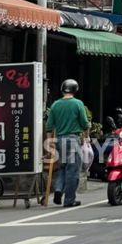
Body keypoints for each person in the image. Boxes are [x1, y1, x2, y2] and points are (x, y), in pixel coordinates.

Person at [45, 79, 89, 207]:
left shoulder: (55, 105)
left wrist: (50, 141)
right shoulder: (78, 104)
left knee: (63, 168)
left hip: (59, 140)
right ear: (75, 90)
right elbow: (85, 124)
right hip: (73, 140)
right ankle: (69, 200)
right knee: (73, 171)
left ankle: (59, 189)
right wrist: (86, 137)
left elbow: (49, 126)